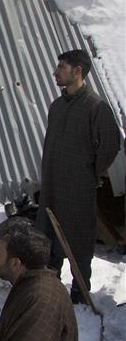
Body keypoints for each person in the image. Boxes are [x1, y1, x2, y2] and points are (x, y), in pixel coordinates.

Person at [35, 49, 122, 304]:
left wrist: (90, 172)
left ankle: (79, 292)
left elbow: (110, 144)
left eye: (61, 67)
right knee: (47, 235)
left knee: (78, 238)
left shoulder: (96, 106)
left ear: (77, 71)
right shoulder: (58, 106)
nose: (55, 72)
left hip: (78, 187)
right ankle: (49, 286)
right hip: (52, 184)